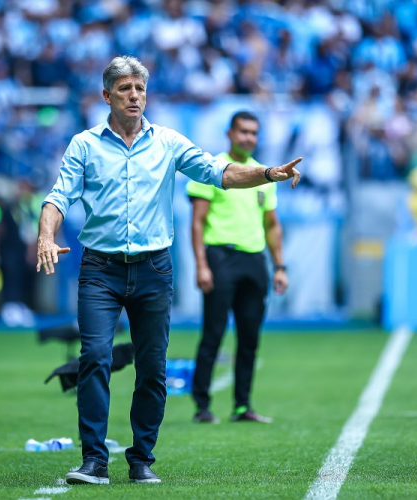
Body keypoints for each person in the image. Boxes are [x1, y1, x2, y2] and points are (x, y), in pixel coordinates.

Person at [36, 56, 301, 486]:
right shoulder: (84, 144)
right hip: (100, 269)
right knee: (95, 358)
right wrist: (46, 236)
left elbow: (221, 172)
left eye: (139, 89)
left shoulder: (169, 143)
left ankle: (141, 459)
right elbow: (57, 198)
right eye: (124, 89)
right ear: (107, 96)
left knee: (153, 367)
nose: (134, 96)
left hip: (154, 269)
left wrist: (267, 173)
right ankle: (94, 461)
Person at [186, 111, 288, 425]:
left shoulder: (264, 174)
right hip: (221, 257)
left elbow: (272, 225)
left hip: (254, 260)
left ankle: (243, 406)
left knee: (250, 337)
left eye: (254, 133)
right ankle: (202, 406)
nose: (248, 138)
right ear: (229, 133)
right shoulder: (211, 169)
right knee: (213, 334)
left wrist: (280, 266)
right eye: (243, 131)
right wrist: (202, 265)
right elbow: (197, 223)